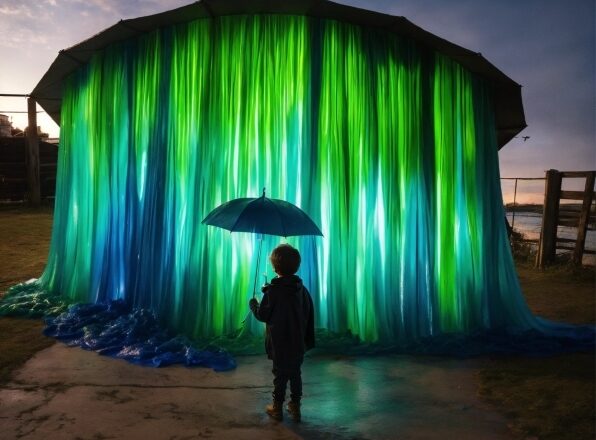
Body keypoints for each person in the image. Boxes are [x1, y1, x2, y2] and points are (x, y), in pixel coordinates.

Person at [249, 243, 315, 422]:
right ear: (297, 266)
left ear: (274, 267)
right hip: (298, 342)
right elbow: (307, 312)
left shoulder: (273, 291)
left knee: (279, 375)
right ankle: (295, 406)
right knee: (295, 374)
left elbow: (263, 315)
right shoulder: (301, 289)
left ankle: (277, 407)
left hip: (279, 343)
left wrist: (254, 304)